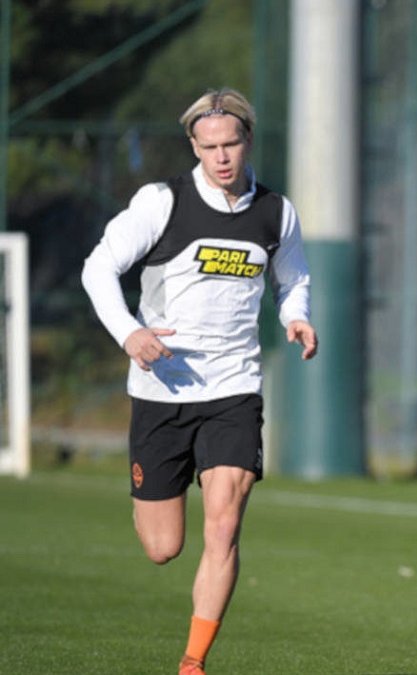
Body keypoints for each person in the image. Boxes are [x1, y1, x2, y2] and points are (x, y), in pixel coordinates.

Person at [81, 88, 317, 675]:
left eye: (231, 144)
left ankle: (193, 663)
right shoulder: (162, 202)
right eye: (209, 147)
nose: (222, 157)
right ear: (193, 146)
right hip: (161, 389)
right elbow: (98, 268)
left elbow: (293, 280)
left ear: (247, 140)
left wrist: (296, 316)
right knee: (163, 547)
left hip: (234, 387)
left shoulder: (276, 212)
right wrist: (130, 333)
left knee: (226, 524)